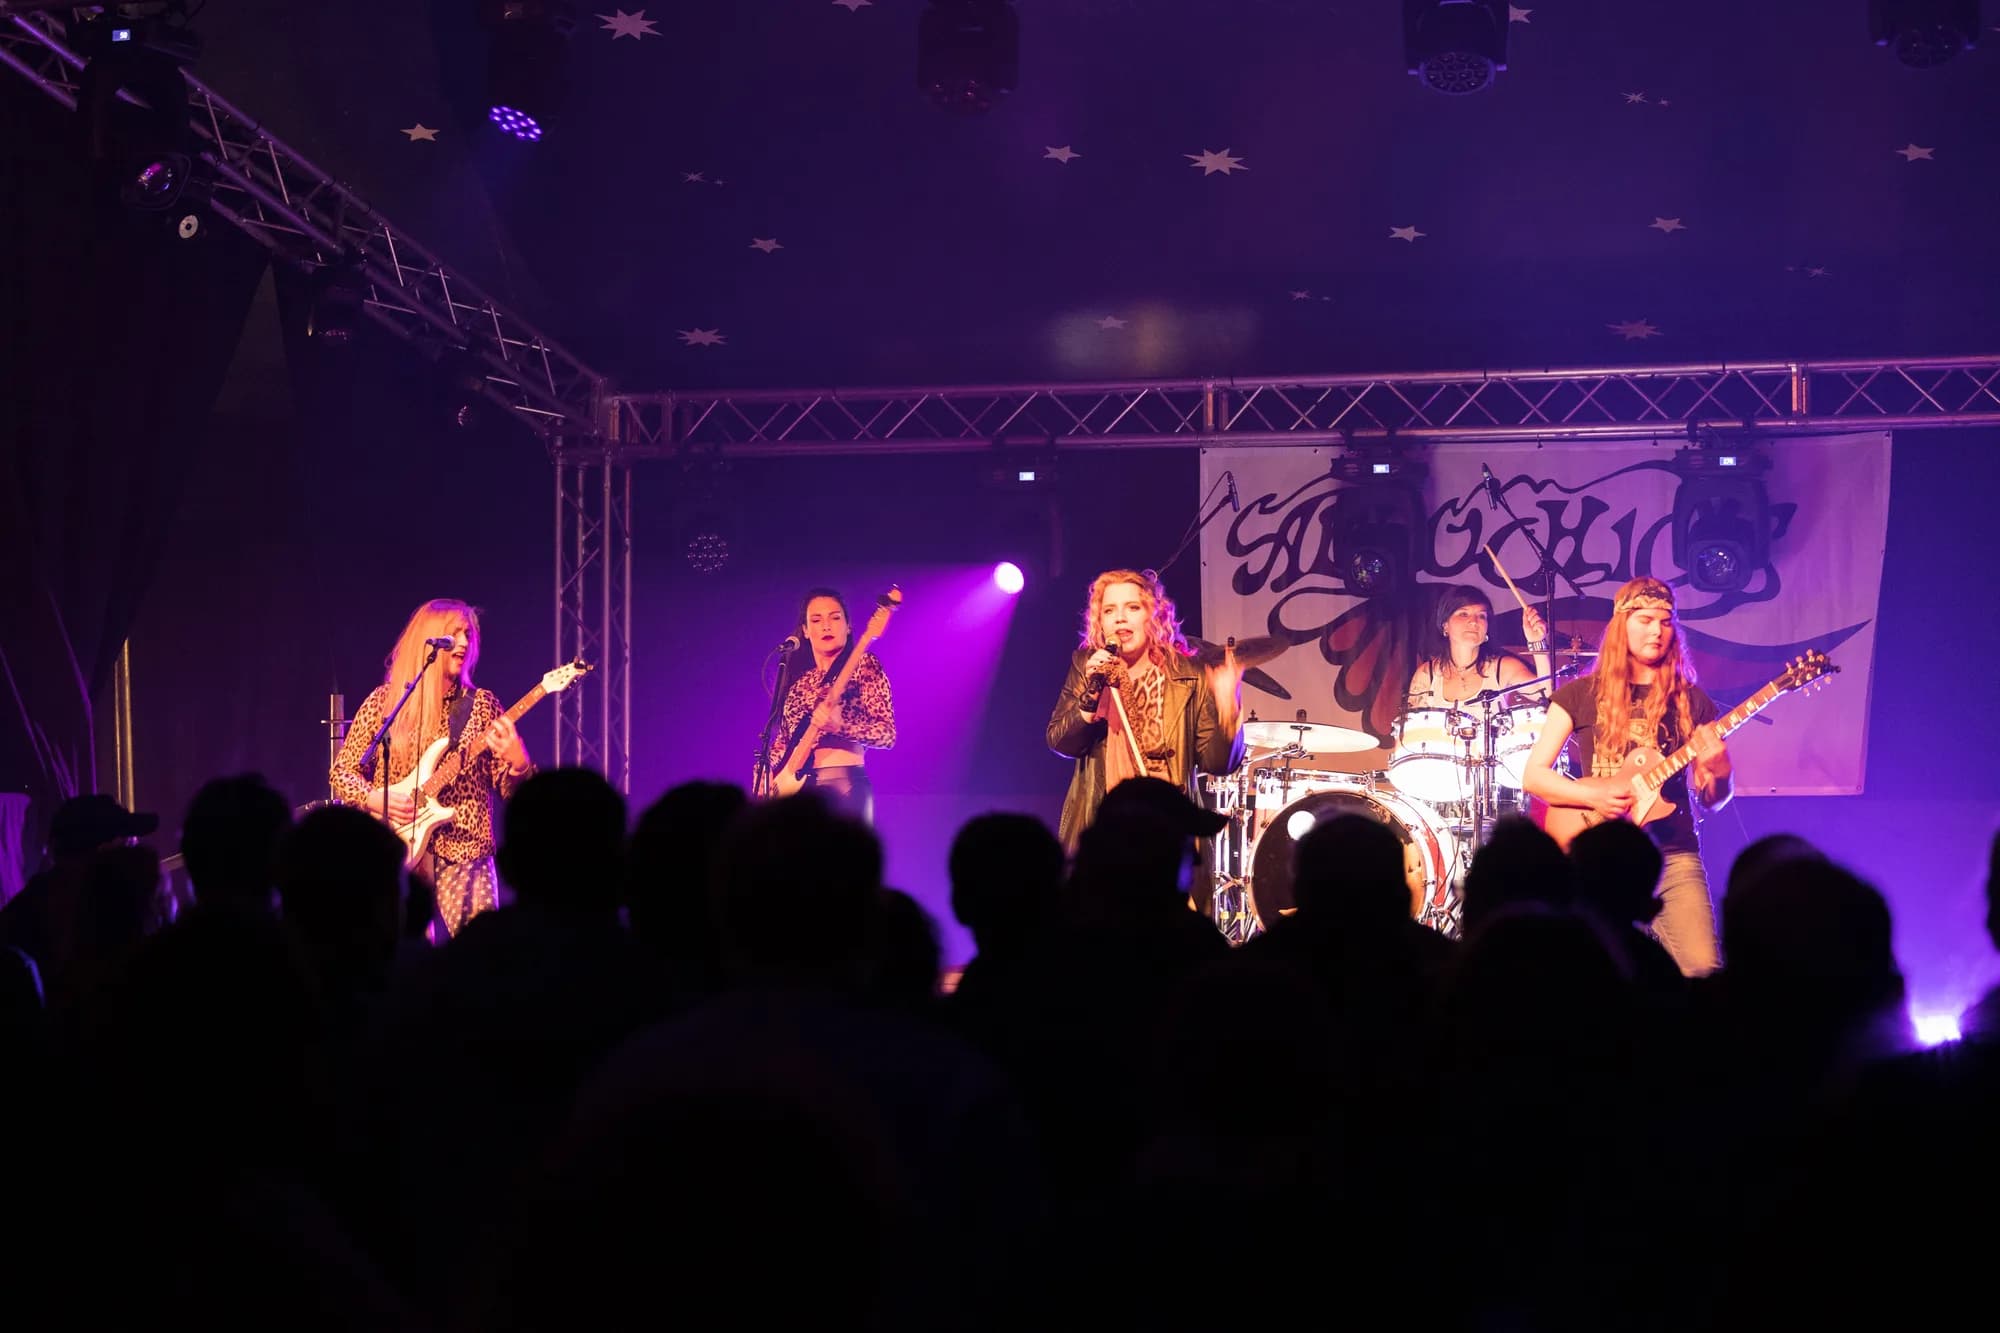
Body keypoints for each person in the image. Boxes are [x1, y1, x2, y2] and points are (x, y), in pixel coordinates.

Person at [1520, 576, 1732, 975]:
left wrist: (1722, 774)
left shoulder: (1693, 701)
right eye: (1645, 620)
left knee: (1704, 970)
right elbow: (1534, 776)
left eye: (1665, 622)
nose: (1657, 631)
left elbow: (1712, 800)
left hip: (1672, 855)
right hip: (1596, 860)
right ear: (1622, 625)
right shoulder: (1578, 694)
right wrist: (1594, 797)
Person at [330, 598, 533, 937]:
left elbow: (515, 794)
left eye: (469, 635)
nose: (464, 643)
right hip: (397, 848)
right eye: (455, 634)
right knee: (400, 955)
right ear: (429, 641)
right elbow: (343, 772)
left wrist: (519, 763)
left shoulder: (481, 705)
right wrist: (373, 798)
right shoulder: (384, 703)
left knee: (480, 952)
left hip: (465, 851)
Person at [1045, 567, 1245, 853]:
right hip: (1105, 828)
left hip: (1169, 830)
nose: (1120, 618)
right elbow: (1060, 741)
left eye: (1133, 607)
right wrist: (1091, 697)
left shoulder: (1190, 674)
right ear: (1100, 621)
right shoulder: (1087, 665)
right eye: (1109, 610)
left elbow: (1219, 764)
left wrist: (1227, 709)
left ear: (1154, 615)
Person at [767, 588, 897, 823]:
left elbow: (887, 735)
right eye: (816, 620)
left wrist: (840, 726)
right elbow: (784, 741)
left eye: (835, 618)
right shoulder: (800, 684)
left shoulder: (864, 665)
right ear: (805, 631)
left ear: (848, 626)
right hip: (796, 793)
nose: (826, 626)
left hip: (843, 783)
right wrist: (765, 770)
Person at [1405, 583, 1551, 709]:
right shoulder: (1427, 674)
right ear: (1445, 625)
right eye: (1463, 614)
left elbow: (1547, 695)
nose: (1474, 621)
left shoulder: (1503, 668)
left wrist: (1537, 642)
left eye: (1481, 616)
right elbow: (1410, 728)